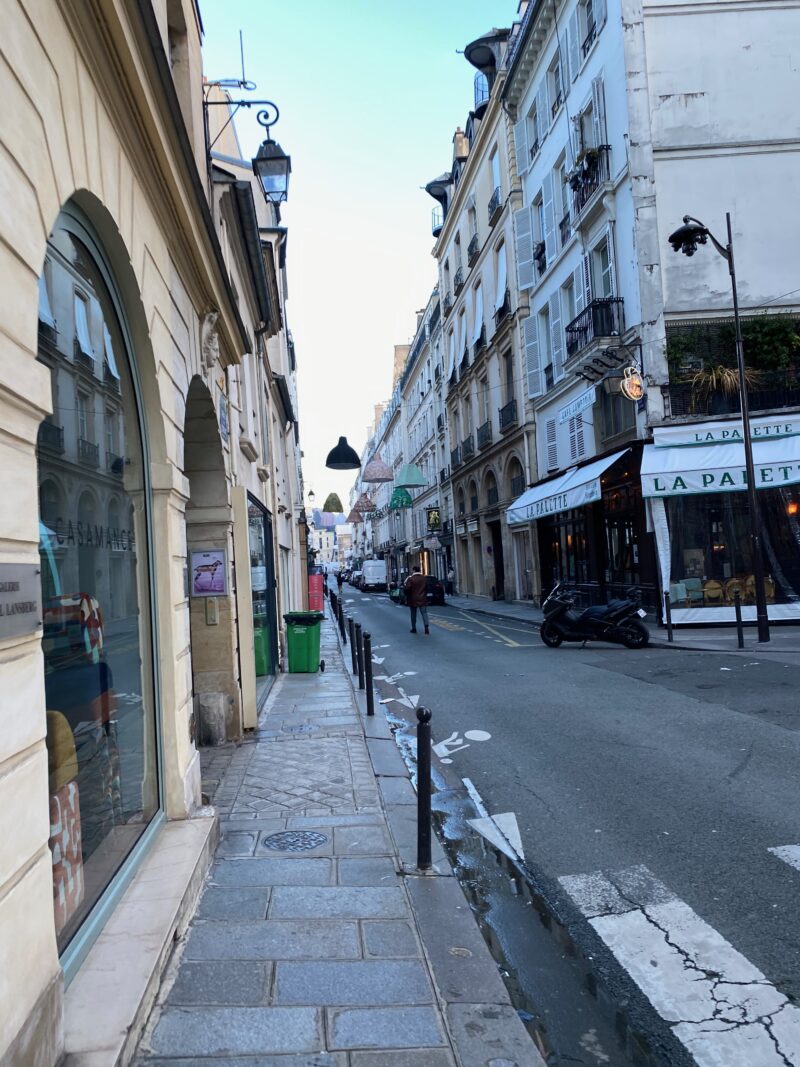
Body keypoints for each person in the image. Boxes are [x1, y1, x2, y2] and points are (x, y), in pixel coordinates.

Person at [404, 566, 429, 635]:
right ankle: (426, 627)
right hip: (422, 598)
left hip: (413, 598)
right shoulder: (424, 578)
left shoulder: (411, 579)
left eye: (412, 570)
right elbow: (426, 588)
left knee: (413, 614)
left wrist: (406, 593)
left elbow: (407, 589)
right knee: (424, 613)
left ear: (414, 570)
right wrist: (424, 595)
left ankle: (414, 628)